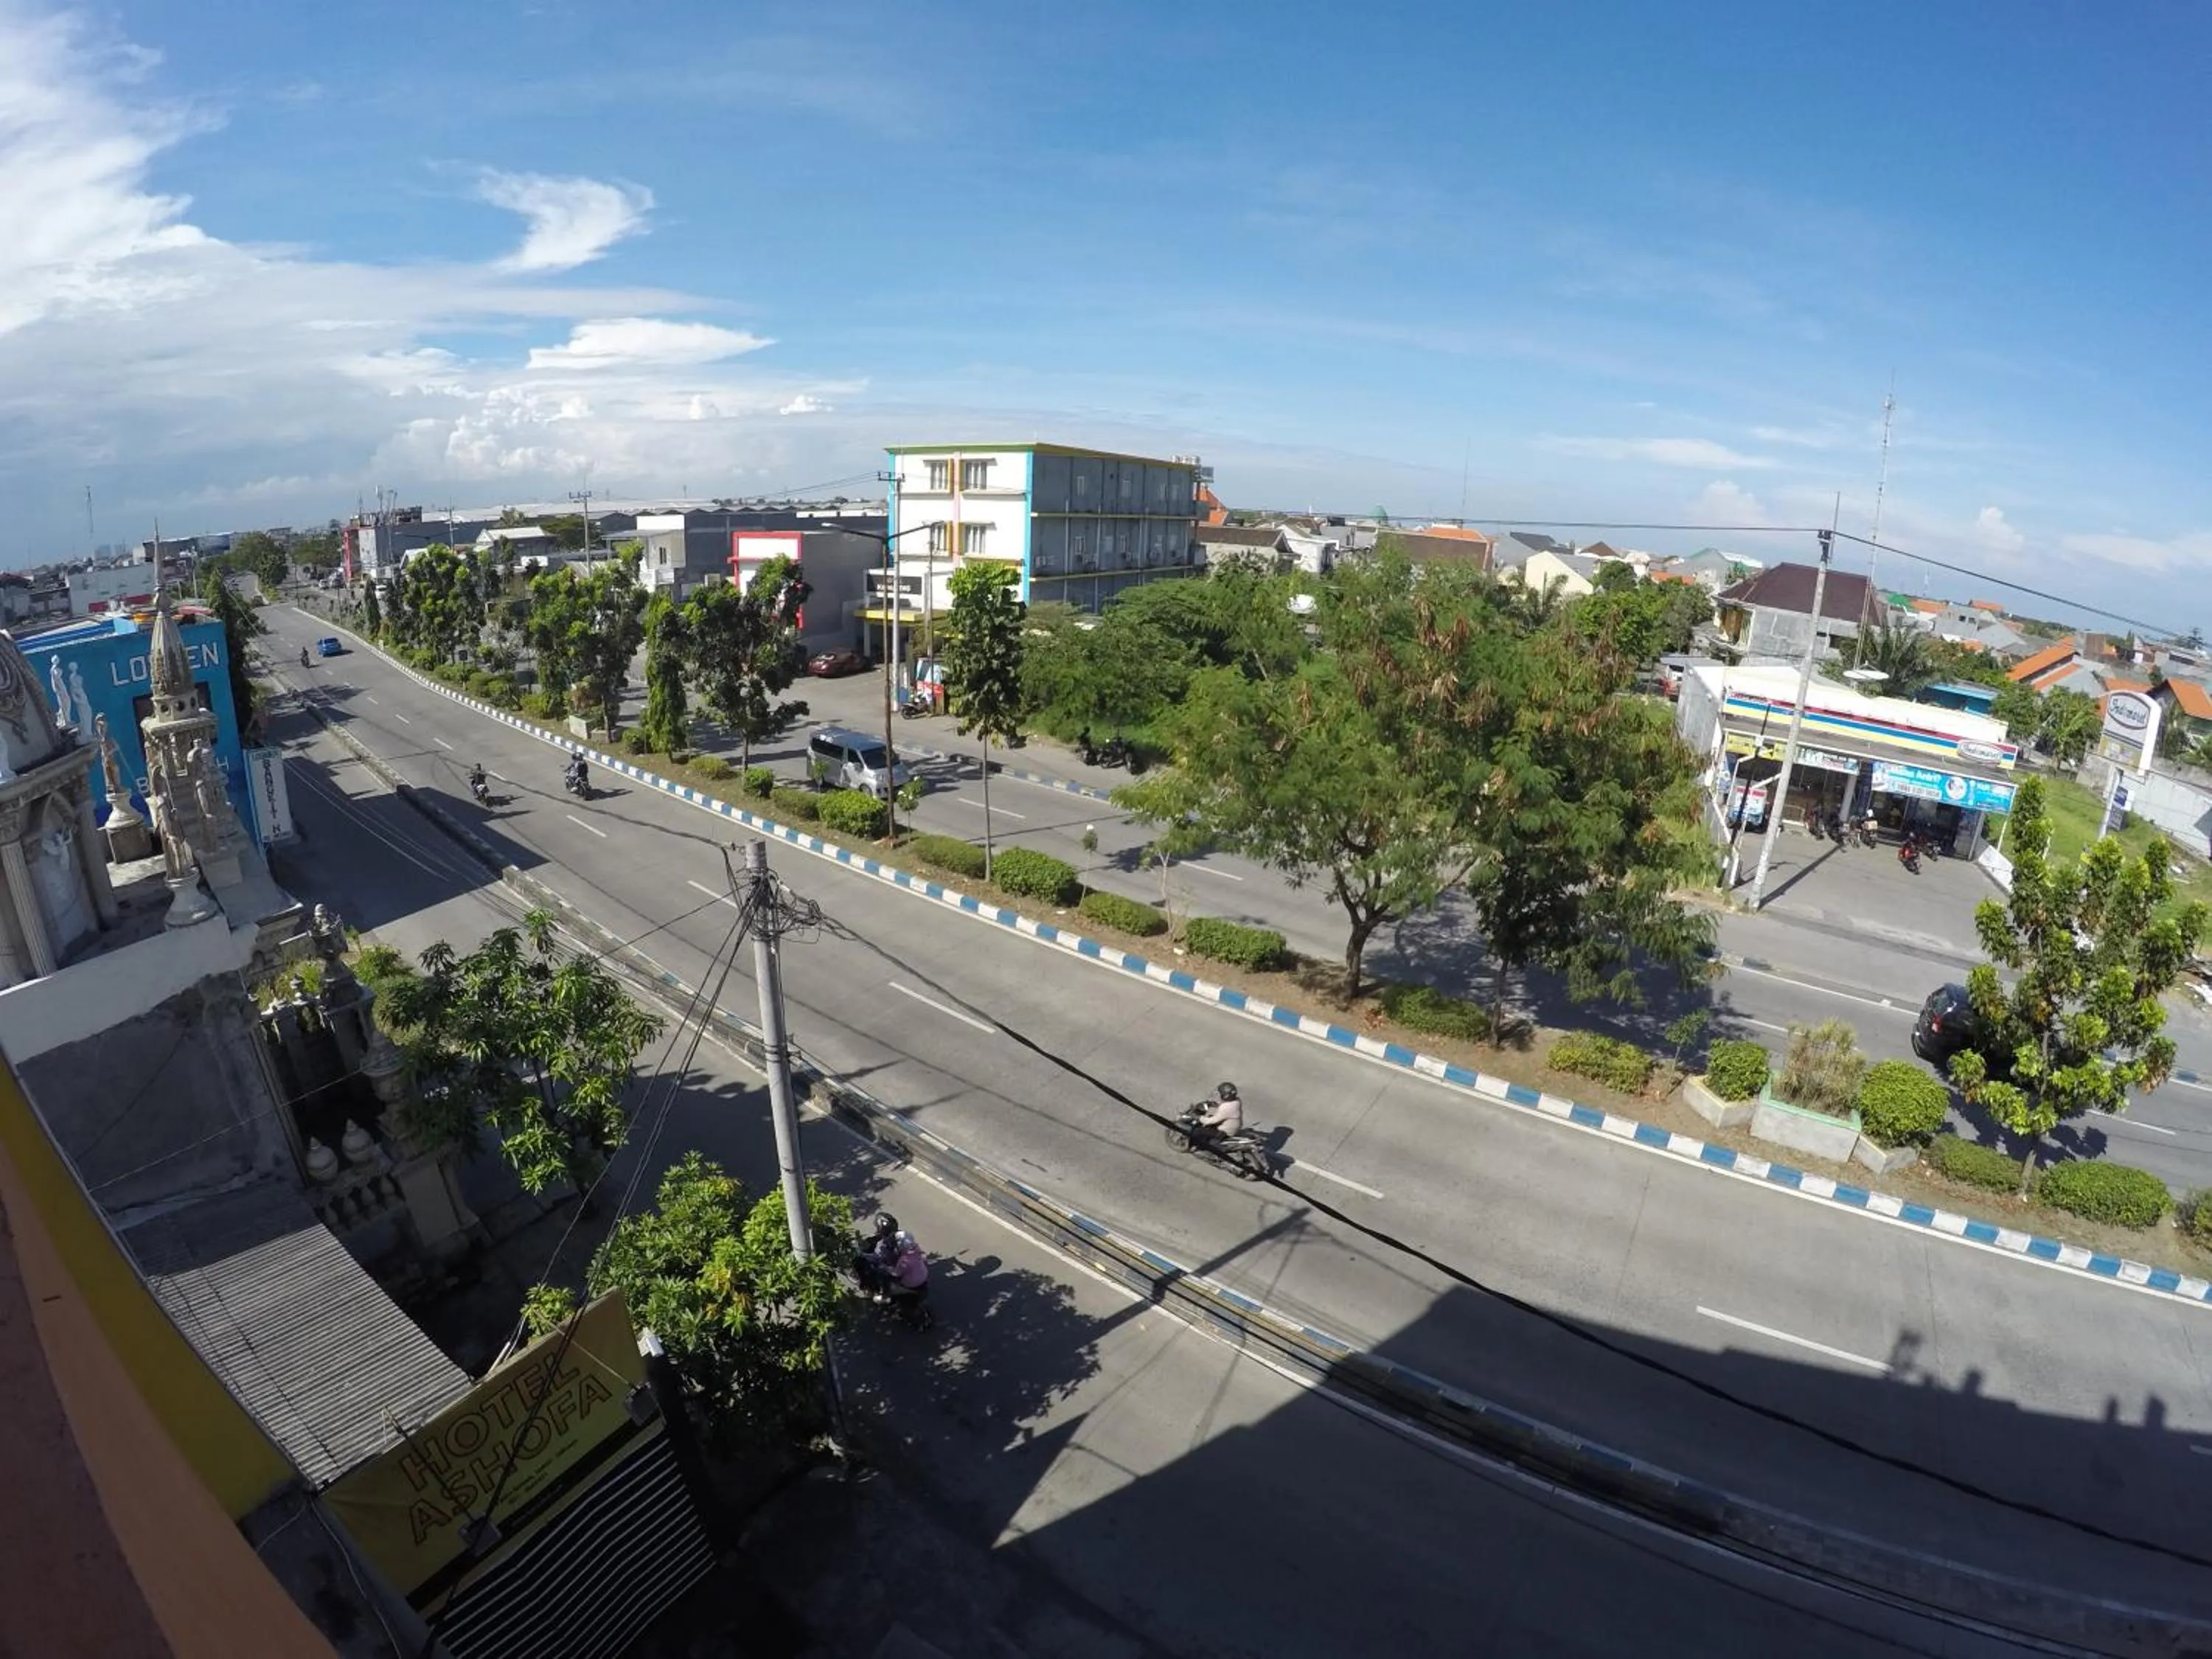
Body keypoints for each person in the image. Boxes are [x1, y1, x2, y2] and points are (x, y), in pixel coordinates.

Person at [1189, 1080, 1245, 1150]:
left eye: (1221, 1094)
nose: (1219, 1095)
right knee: (1209, 1121)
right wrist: (1215, 1104)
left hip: (1225, 1131)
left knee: (1198, 1131)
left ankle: (1198, 1147)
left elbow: (1211, 1121)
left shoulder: (1226, 1108)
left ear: (1226, 1096)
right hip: (1233, 1125)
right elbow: (1225, 1105)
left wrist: (1199, 1117)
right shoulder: (1237, 1101)